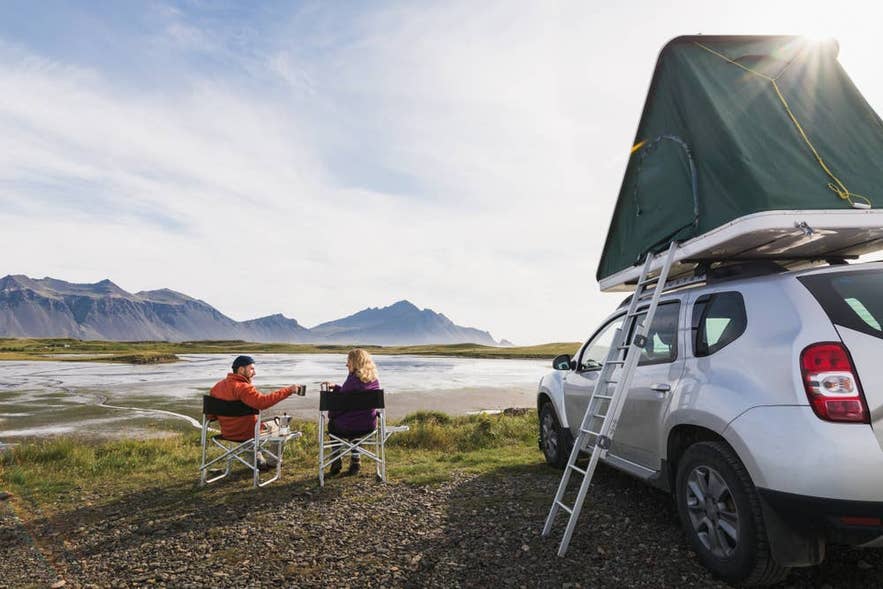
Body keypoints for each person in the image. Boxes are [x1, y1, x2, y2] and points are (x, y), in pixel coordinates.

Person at [210, 355, 302, 469]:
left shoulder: (216, 387)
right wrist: (289, 390)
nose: (255, 373)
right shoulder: (244, 388)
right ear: (241, 370)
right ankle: (274, 461)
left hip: (228, 433)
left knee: (251, 425)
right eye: (251, 369)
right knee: (281, 424)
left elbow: (210, 416)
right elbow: (263, 402)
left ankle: (257, 461)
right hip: (248, 433)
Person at [322, 348, 380, 476]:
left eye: (348, 361)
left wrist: (331, 415)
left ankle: (336, 458)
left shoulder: (352, 380)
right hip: (369, 426)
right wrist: (337, 387)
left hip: (349, 426)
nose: (346, 364)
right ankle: (355, 460)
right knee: (355, 423)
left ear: (354, 362)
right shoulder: (375, 380)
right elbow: (352, 395)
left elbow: (341, 405)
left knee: (333, 424)